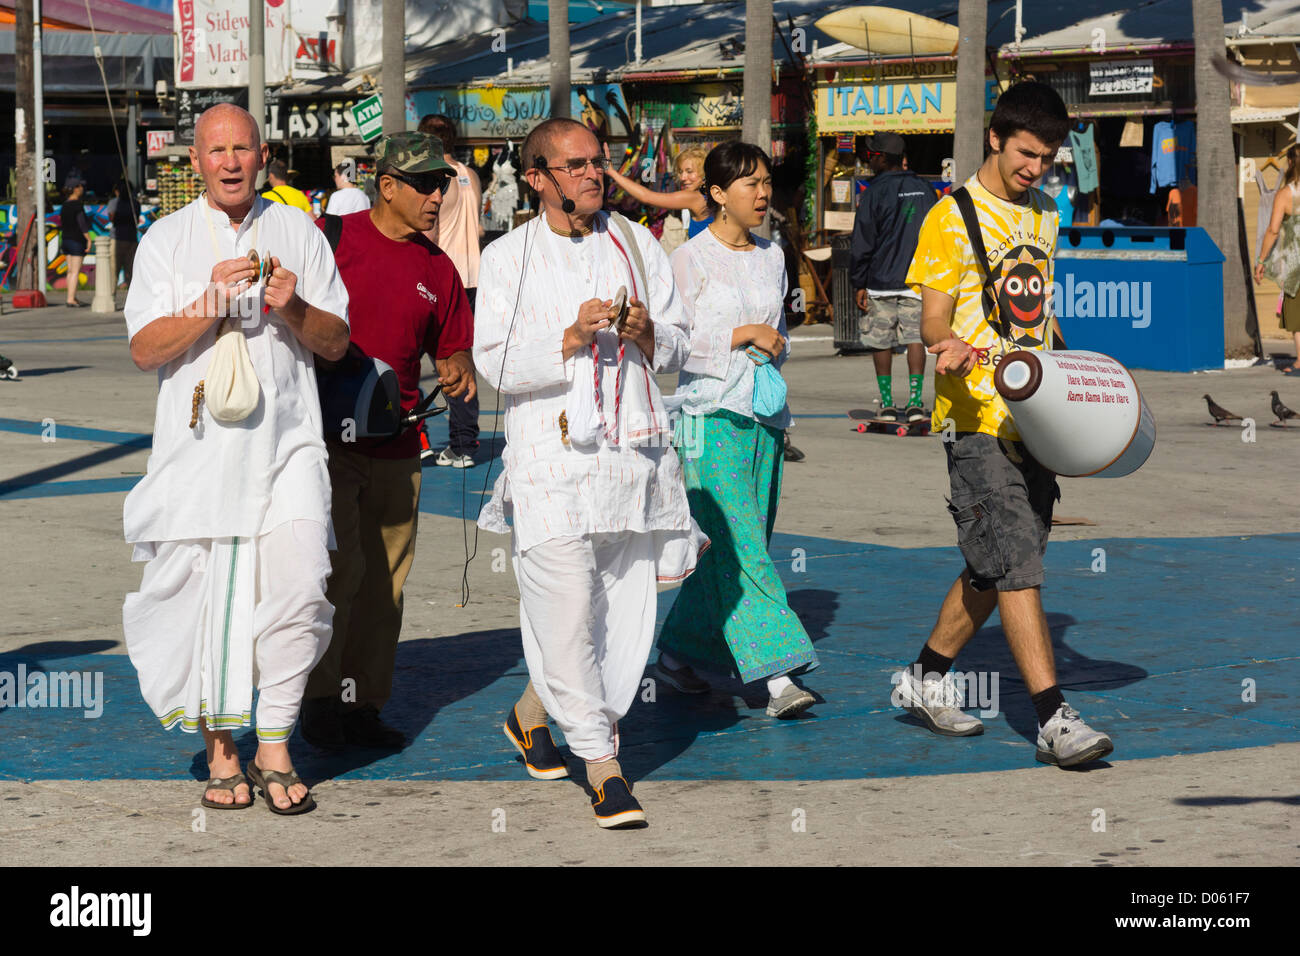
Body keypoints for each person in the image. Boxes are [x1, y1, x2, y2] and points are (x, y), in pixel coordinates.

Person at [474, 117, 705, 828]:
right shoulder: (509, 256)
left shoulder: (637, 244)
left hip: (628, 459)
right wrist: (569, 338)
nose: (592, 175)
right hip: (549, 459)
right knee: (569, 608)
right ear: (537, 179)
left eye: (597, 164)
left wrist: (646, 334)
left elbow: (679, 344)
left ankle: (529, 714)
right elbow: (495, 364)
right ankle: (604, 763)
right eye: (574, 166)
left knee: (615, 614)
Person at [121, 103, 350, 813]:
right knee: (208, 598)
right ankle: (224, 747)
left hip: (289, 446)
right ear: (195, 162)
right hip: (200, 456)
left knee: (302, 584)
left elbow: (336, 341)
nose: (228, 162)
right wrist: (211, 304)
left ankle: (275, 740)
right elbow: (144, 349)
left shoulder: (298, 230)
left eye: (242, 149)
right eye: (215, 150)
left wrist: (291, 307)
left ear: (262, 156)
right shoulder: (165, 238)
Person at [896, 81, 1113, 769]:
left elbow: (1036, 315)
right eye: (1026, 153)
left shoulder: (1046, 214)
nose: (1036, 168)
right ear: (995, 137)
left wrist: (1076, 378)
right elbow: (933, 316)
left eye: (1047, 157)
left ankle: (923, 678)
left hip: (1036, 416)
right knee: (1017, 559)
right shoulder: (949, 216)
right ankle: (1053, 719)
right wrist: (945, 346)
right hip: (974, 417)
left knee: (992, 564)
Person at [300, 132, 476, 751]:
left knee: (384, 587)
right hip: (327, 443)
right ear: (388, 186)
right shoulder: (331, 239)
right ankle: (319, 701)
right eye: (425, 185)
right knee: (337, 573)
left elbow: (453, 344)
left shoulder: (438, 268)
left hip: (399, 449)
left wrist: (458, 366)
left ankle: (361, 705)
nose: (437, 196)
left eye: (444, 185)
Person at [653, 141, 818, 718]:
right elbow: (667, 347)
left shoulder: (773, 255)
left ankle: (676, 652)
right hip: (705, 417)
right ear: (718, 195)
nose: (764, 193)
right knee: (744, 546)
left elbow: (776, 334)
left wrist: (772, 342)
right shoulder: (688, 259)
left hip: (764, 418)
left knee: (733, 547)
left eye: (767, 181)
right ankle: (778, 675)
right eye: (750, 184)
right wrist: (739, 335)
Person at [850, 132, 938, 423]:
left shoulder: (873, 192)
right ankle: (915, 404)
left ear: (882, 158)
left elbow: (862, 241)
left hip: (880, 280)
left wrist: (858, 281)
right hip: (915, 279)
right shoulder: (925, 189)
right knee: (915, 338)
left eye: (871, 156)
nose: (868, 160)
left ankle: (887, 405)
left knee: (881, 340)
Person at [418, 113, 485, 467]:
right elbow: (478, 229)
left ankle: (442, 440)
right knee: (462, 360)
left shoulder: (434, 179)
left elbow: (430, 234)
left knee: (442, 362)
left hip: (444, 277)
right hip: (473, 278)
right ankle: (464, 442)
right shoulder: (469, 175)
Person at [605, 144, 712, 245]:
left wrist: (611, 172)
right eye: (680, 171)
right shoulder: (711, 195)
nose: (683, 178)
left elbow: (646, 196)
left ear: (704, 172)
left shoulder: (694, 198)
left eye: (689, 171)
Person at [1254, 144, 1300, 373]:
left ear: (1290, 163)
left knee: (1297, 312)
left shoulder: (1285, 194)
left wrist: (1261, 261)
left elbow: (1272, 230)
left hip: (1295, 261)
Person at [60, 179, 90, 307]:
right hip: (77, 241)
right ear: (75, 189)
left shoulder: (65, 205)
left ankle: (71, 297)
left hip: (66, 240)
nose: (82, 188)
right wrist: (88, 239)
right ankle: (71, 299)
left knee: (70, 271)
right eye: (80, 186)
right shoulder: (77, 205)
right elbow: (82, 224)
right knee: (75, 272)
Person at [107, 178, 140, 290]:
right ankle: (133, 298)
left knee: (113, 271)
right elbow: (136, 218)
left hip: (117, 239)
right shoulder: (135, 203)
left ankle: (111, 297)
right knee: (131, 271)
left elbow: (112, 218)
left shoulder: (113, 203)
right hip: (131, 238)